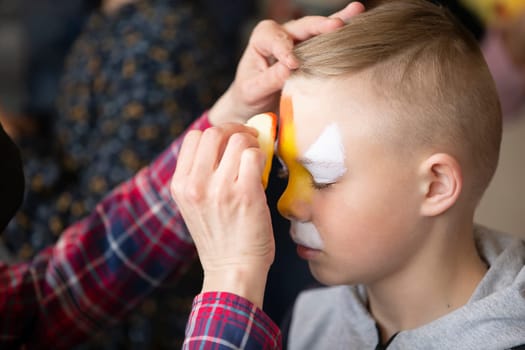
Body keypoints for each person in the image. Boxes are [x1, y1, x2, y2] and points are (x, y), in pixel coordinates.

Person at [0, 4, 364, 349]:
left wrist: (235, 108)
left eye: (322, 175)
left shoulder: (159, 37)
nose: (283, 204)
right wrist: (231, 273)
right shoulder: (308, 323)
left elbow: (55, 293)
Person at [173, 0, 525, 349]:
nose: (287, 204)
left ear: (435, 185)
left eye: (322, 177)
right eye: (284, 170)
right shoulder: (312, 316)